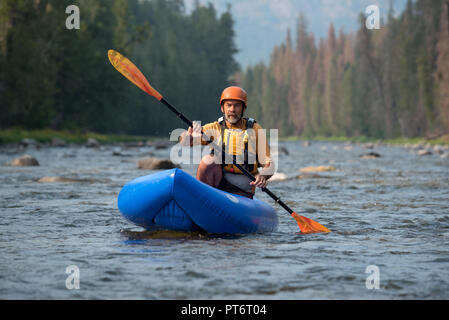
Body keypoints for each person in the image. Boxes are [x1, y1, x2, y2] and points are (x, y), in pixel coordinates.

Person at [180, 86, 274, 199]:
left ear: (243, 109)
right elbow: (185, 142)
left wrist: (263, 175)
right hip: (219, 185)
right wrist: (188, 135)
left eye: (237, 105)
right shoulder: (215, 128)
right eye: (228, 105)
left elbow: (270, 164)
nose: (232, 110)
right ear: (222, 108)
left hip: (243, 189)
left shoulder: (255, 129)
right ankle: (200, 199)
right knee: (208, 160)